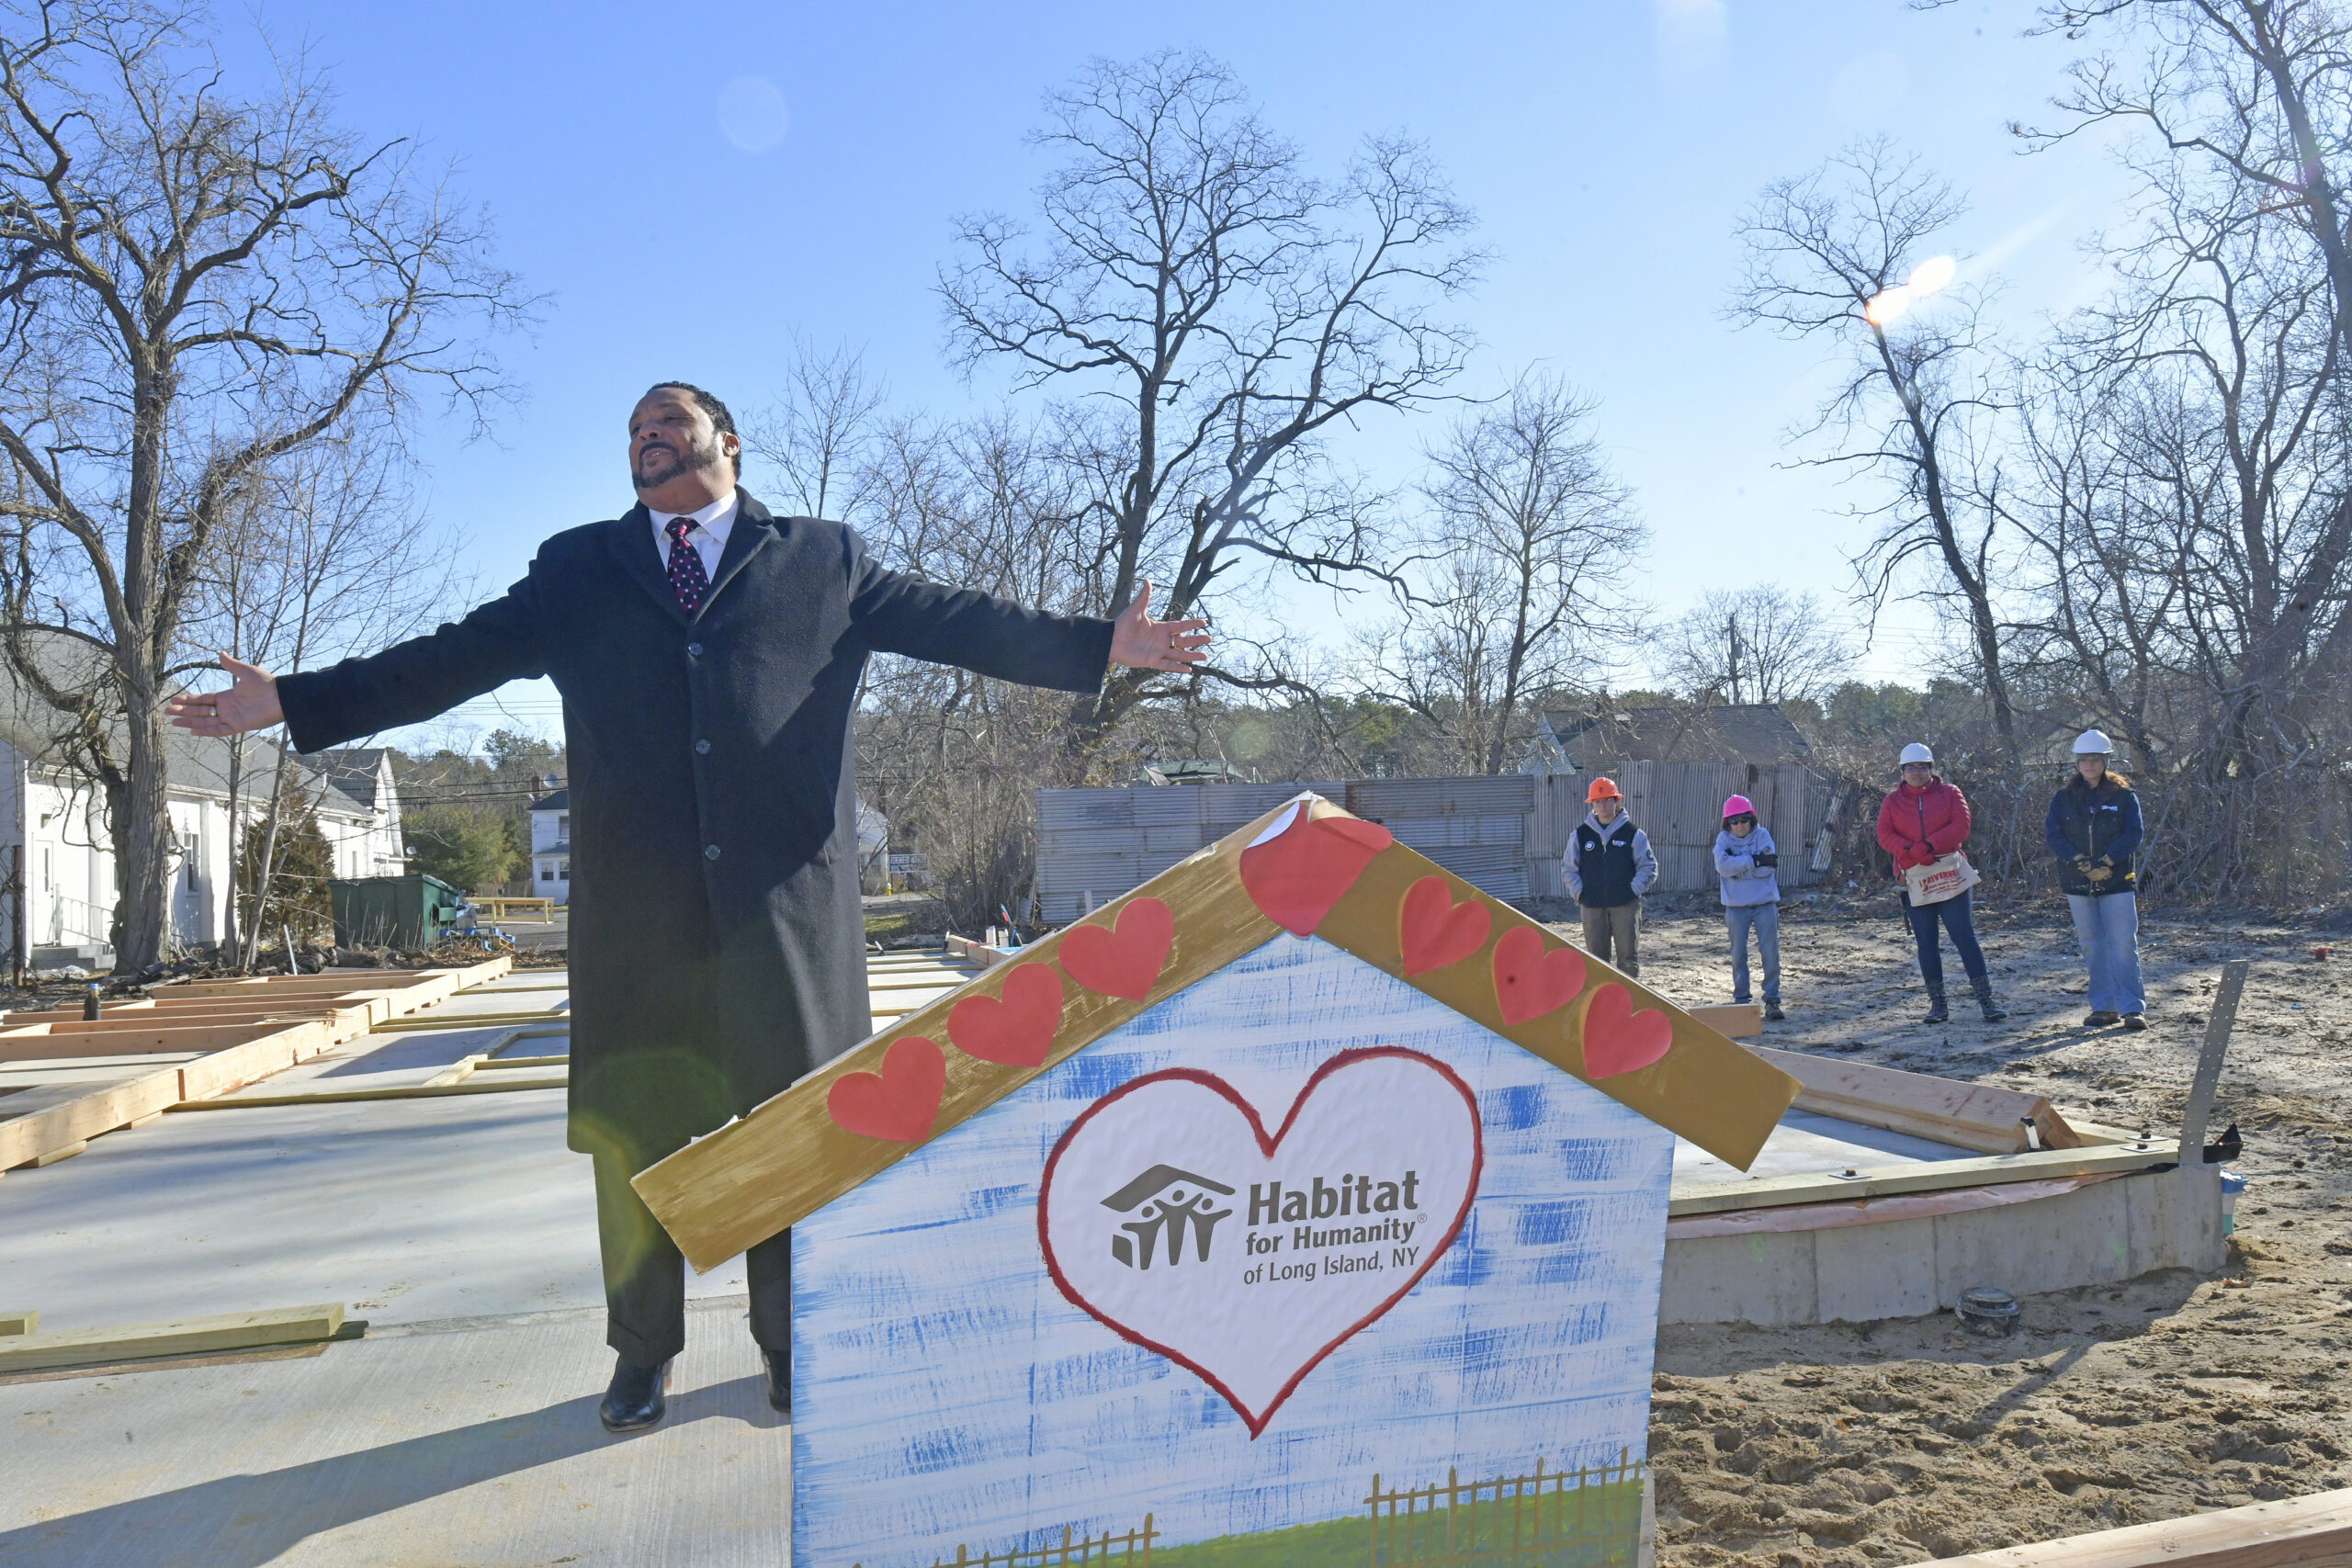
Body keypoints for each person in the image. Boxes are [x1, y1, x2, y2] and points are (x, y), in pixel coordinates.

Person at [166, 382, 1208, 1433]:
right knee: (640, 1140)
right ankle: (641, 1354)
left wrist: (1098, 645)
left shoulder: (822, 560)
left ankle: (793, 1345)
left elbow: (960, 622)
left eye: (665, 418)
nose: (644, 434)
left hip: (785, 911)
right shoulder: (580, 570)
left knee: (802, 1132)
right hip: (639, 920)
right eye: (630, 429)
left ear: (727, 441)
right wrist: (297, 700)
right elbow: (449, 659)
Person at [1875, 742, 2007, 1024]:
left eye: (1922, 767)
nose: (1917, 772)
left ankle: (1987, 1001)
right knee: (1927, 942)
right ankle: (1938, 1005)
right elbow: (1884, 834)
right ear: (1902, 771)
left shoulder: (1950, 793)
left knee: (1964, 937)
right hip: (1914, 878)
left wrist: (1929, 846)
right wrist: (1912, 851)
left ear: (1932, 769)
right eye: (1911, 767)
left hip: (1950, 875)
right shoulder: (1891, 802)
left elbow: (1961, 826)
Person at [2044, 729, 2147, 1030]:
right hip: (2077, 883)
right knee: (2092, 944)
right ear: (2076, 763)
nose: (2088, 765)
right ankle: (2103, 1007)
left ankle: (2132, 1009)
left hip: (2116, 881)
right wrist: (2079, 862)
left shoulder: (2125, 797)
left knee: (2123, 942)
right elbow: (2054, 834)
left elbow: (2133, 834)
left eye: (2094, 759)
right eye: (2083, 760)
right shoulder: (2063, 799)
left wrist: (2106, 862)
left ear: (2105, 761)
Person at [1563, 776, 1657, 976]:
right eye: (1598, 801)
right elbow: (1569, 868)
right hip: (1592, 907)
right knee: (1597, 964)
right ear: (1592, 804)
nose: (1603, 805)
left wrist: (1632, 890)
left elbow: (1648, 866)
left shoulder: (1633, 833)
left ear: (1616, 801)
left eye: (1607, 799)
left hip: (1625, 906)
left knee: (1628, 961)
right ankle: (1602, 1006)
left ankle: (1631, 1004)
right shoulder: (1580, 835)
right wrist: (1580, 893)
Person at [1712, 795, 1783, 1021]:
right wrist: (1753, 860)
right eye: (1734, 821)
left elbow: (1768, 868)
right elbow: (1722, 867)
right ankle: (1741, 1000)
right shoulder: (1723, 839)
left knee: (1770, 953)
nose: (1740, 825)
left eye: (1744, 820)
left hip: (1765, 904)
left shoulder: (1762, 835)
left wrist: (1738, 866)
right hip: (1736, 907)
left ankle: (1772, 1000)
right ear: (1727, 823)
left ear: (1752, 819)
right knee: (1738, 954)